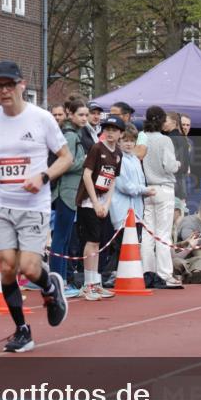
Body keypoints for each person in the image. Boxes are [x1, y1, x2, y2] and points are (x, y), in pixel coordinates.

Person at [0, 61, 72, 353]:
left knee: (29, 268)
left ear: (21, 85)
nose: (4, 91)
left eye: (9, 85)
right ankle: (22, 330)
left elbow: (66, 157)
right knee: (6, 267)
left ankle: (49, 286)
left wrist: (43, 177)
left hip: (33, 206)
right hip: (0, 204)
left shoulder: (41, 118)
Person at [76, 114, 124, 300]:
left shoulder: (118, 154)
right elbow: (87, 175)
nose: (110, 133)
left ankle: (95, 283)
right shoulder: (97, 148)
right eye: (107, 130)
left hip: (103, 202)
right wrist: (95, 202)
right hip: (88, 201)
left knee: (99, 242)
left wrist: (107, 203)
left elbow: (112, 180)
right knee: (92, 240)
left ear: (120, 133)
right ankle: (88, 285)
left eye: (114, 130)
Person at [140, 106, 183, 289]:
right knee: (163, 233)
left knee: (148, 233)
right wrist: (178, 164)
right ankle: (165, 274)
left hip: (147, 188)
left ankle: (147, 272)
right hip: (164, 188)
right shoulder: (165, 140)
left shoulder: (142, 137)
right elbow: (169, 165)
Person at [49, 98, 88, 298]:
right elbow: (67, 163)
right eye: (80, 115)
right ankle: (57, 281)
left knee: (63, 239)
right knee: (60, 238)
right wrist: (85, 161)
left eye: (86, 115)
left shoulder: (73, 134)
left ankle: (61, 279)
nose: (85, 118)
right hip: (65, 192)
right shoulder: (70, 135)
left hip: (70, 192)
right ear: (70, 114)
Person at [111, 123, 153, 240]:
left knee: (134, 246)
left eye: (132, 140)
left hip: (137, 213)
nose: (129, 144)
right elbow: (125, 186)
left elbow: (141, 182)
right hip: (121, 213)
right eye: (125, 140)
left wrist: (144, 190)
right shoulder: (118, 158)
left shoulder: (135, 159)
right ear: (119, 141)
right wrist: (144, 190)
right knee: (120, 247)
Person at [163, 111, 190, 200]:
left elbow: (171, 163)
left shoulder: (170, 139)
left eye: (165, 121)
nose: (163, 123)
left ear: (174, 122)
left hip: (172, 183)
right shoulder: (183, 139)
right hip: (181, 183)